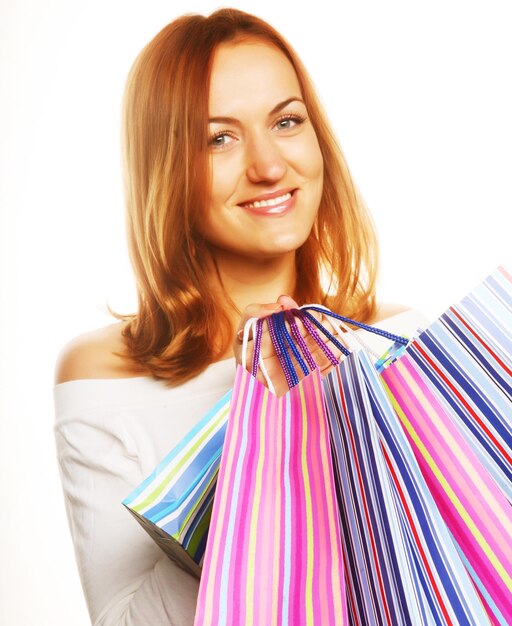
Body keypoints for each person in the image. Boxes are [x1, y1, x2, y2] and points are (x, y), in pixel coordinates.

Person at [54, 8, 426, 625]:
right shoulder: (103, 372)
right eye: (218, 137)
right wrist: (260, 425)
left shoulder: (397, 340)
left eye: (286, 121)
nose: (270, 166)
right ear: (167, 168)